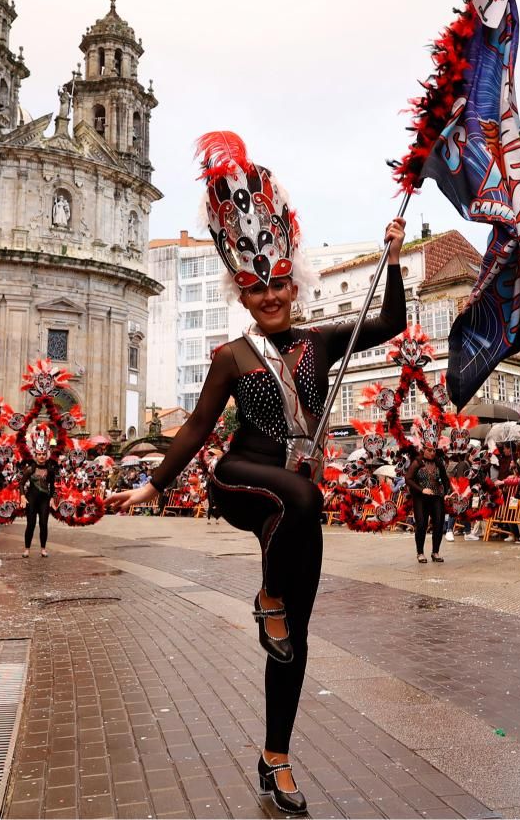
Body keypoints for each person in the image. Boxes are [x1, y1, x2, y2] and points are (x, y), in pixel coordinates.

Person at [107, 132, 406, 814]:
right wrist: (156, 481)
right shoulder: (231, 356)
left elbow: (389, 318)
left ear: (291, 281)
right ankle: (267, 595)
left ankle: (277, 758)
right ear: (241, 292)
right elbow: (196, 427)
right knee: (301, 494)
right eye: (255, 286)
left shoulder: (321, 341)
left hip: (293, 506)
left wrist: (392, 256)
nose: (269, 295)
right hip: (242, 477)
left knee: (292, 639)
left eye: (277, 282)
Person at [406, 440, 448, 563]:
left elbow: (445, 479)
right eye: (429, 450)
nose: (432, 453)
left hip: (437, 496)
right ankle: (420, 553)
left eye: (434, 450)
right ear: (423, 449)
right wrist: (422, 489)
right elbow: (408, 479)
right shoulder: (417, 462)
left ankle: (435, 552)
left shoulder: (439, 462)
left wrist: (447, 493)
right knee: (422, 525)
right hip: (421, 498)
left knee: (439, 524)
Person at [22, 458, 54, 558]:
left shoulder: (50, 470)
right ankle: (27, 549)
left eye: (43, 454)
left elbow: (52, 486)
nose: (41, 456)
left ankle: (43, 549)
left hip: (44, 500)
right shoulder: (30, 469)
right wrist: (22, 496)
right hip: (31, 499)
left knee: (43, 524)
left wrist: (52, 498)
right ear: (36, 455)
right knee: (31, 524)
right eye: (39, 454)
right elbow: (21, 484)